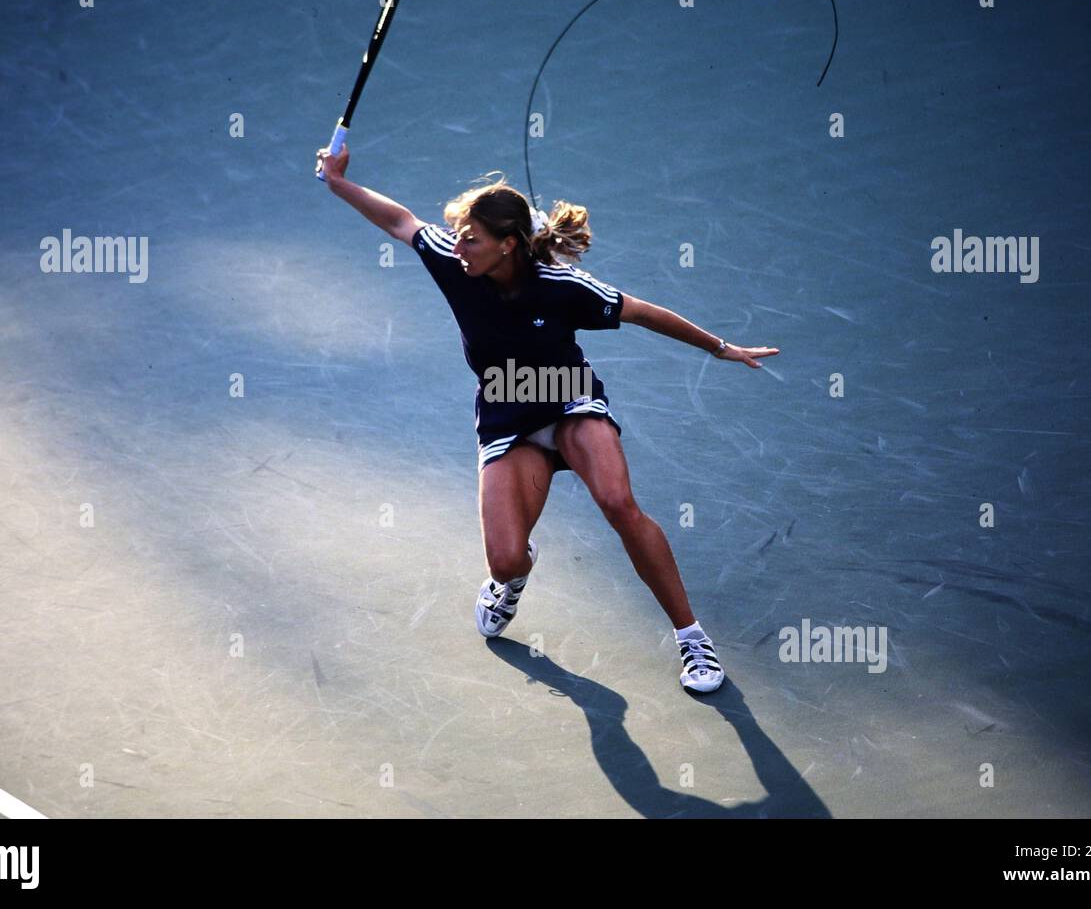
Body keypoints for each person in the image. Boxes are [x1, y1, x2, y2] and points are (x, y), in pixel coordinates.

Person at [317, 143, 779, 693]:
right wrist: (337, 180)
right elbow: (401, 221)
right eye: (461, 234)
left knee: (618, 503)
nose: (459, 244)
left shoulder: (562, 287)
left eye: (473, 237)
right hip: (507, 415)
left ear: (508, 245)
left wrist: (719, 346)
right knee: (507, 559)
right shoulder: (455, 261)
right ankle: (511, 582)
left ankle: (692, 640)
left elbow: (644, 312)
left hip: (567, 400)